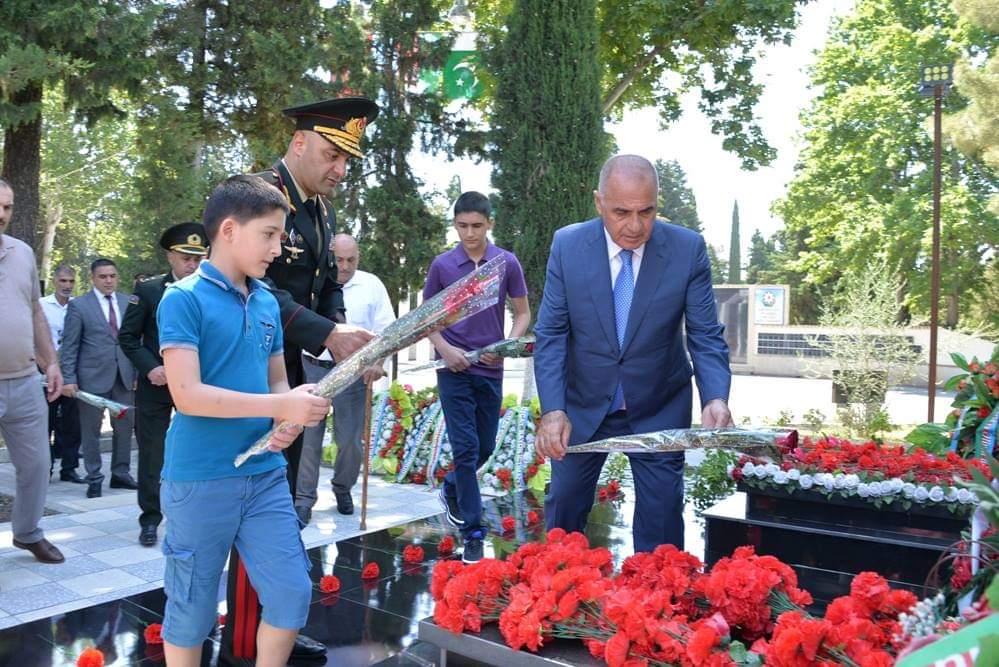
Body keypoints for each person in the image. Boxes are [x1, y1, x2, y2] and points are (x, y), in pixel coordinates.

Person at [222, 97, 379, 666]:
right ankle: (245, 638)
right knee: (252, 503)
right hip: (250, 375)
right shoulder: (258, 194)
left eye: (347, 159)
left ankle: (276, 628)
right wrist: (325, 332)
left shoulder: (318, 210)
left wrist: (346, 335)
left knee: (279, 502)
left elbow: (324, 285)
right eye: (333, 153)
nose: (341, 168)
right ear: (298, 143)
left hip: (293, 377)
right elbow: (252, 286)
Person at [157, 175, 328, 667]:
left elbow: (275, 382)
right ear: (229, 230)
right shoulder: (182, 299)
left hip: (264, 477)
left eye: (282, 235)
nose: (280, 248)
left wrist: (289, 418)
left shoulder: (269, 301)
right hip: (201, 478)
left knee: (292, 594)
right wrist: (280, 407)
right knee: (191, 612)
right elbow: (187, 395)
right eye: (270, 235)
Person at [533, 154, 733, 553]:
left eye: (647, 211)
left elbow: (705, 334)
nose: (635, 225)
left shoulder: (686, 249)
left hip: (659, 403)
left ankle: (655, 604)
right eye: (621, 212)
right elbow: (552, 333)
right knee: (565, 510)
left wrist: (715, 396)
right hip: (582, 405)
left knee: (661, 524)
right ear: (598, 202)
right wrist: (553, 409)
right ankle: (559, 594)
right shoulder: (568, 246)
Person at [425, 191, 531, 563]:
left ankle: (451, 486)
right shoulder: (442, 266)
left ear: (490, 224)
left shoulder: (506, 263)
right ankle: (472, 531)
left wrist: (505, 345)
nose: (469, 233)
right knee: (466, 449)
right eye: (462, 226)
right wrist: (446, 350)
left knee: (484, 447)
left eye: (476, 226)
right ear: (454, 224)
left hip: (490, 368)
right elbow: (427, 321)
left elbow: (522, 314)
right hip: (453, 370)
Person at [118, 222, 207, 547]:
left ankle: (192, 515)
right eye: (186, 258)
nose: (192, 265)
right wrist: (150, 368)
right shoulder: (150, 290)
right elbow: (127, 337)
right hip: (157, 384)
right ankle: (151, 519)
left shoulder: (209, 291)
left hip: (197, 386)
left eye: (198, 258)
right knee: (153, 454)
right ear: (171, 256)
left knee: (196, 450)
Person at [296, 233, 394, 523]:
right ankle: (303, 499)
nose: (345, 266)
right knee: (309, 439)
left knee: (350, 440)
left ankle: (343, 487)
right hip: (312, 367)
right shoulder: (313, 285)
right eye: (339, 260)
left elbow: (386, 331)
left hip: (353, 371)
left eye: (351, 259)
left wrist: (377, 362)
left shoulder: (371, 285)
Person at [0, 177, 65, 564]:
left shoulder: (22, 253)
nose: (2, 215)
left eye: (7, 207)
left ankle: (26, 532)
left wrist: (51, 362)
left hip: (24, 380)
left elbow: (35, 312)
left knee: (38, 464)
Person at [60, 258, 137, 498]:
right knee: (91, 431)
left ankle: (121, 473)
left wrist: (137, 373)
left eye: (112, 276)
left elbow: (137, 341)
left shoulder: (129, 302)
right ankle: (94, 477)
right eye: (103, 276)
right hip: (91, 379)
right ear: (93, 278)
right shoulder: (79, 306)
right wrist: (69, 378)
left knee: (124, 428)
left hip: (124, 376)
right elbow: (69, 347)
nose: (108, 280)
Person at [40, 264, 84, 483]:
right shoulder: (41, 306)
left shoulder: (79, 306)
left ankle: (69, 467)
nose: (67, 285)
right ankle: (44, 469)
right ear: (54, 281)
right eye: (63, 281)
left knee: (71, 422)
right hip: (44, 369)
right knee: (45, 420)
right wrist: (47, 365)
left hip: (71, 371)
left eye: (71, 281)